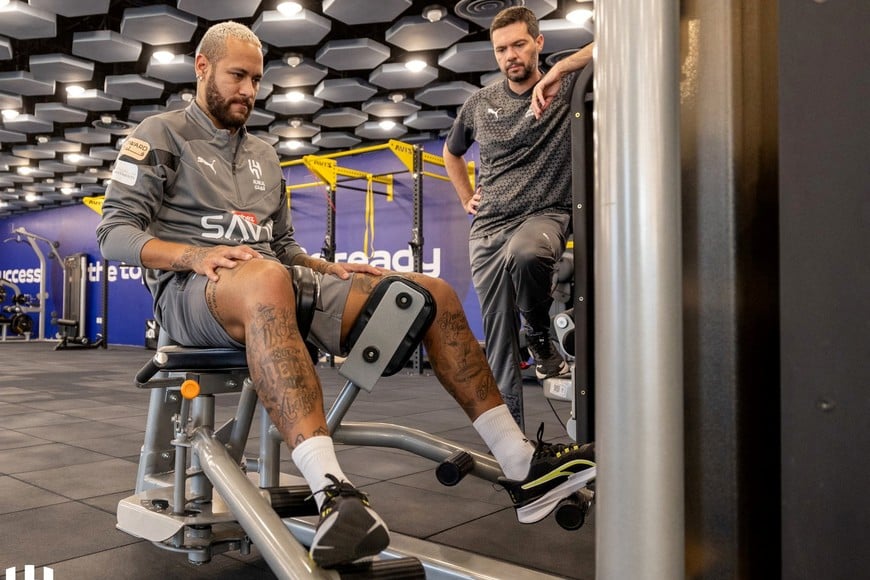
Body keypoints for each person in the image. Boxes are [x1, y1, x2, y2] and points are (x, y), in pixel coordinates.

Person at [96, 21, 595, 570]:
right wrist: (194, 256)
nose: (248, 91)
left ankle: (521, 466)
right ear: (202, 67)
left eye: (256, 80)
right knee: (267, 278)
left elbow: (281, 246)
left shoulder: (264, 154)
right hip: (193, 295)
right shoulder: (160, 133)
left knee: (430, 292)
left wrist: (324, 267)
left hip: (274, 281)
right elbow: (114, 233)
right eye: (237, 76)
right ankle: (334, 494)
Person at [443, 7, 594, 427]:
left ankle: (541, 338)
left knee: (528, 254)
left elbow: (614, 44)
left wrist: (561, 68)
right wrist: (465, 196)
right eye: (501, 49)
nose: (510, 55)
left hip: (545, 213)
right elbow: (451, 152)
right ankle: (514, 450)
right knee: (498, 347)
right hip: (489, 226)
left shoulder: (566, 87)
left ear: (538, 43)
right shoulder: (479, 103)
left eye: (519, 44)